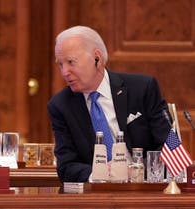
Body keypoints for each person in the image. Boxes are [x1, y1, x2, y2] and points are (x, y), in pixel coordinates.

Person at [47, 26, 171, 182]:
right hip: (95, 196)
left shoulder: (142, 88)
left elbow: (171, 147)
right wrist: (101, 172)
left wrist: (135, 170)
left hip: (145, 187)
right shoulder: (60, 105)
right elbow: (66, 167)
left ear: (96, 58)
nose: (64, 72)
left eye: (71, 62)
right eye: (60, 64)